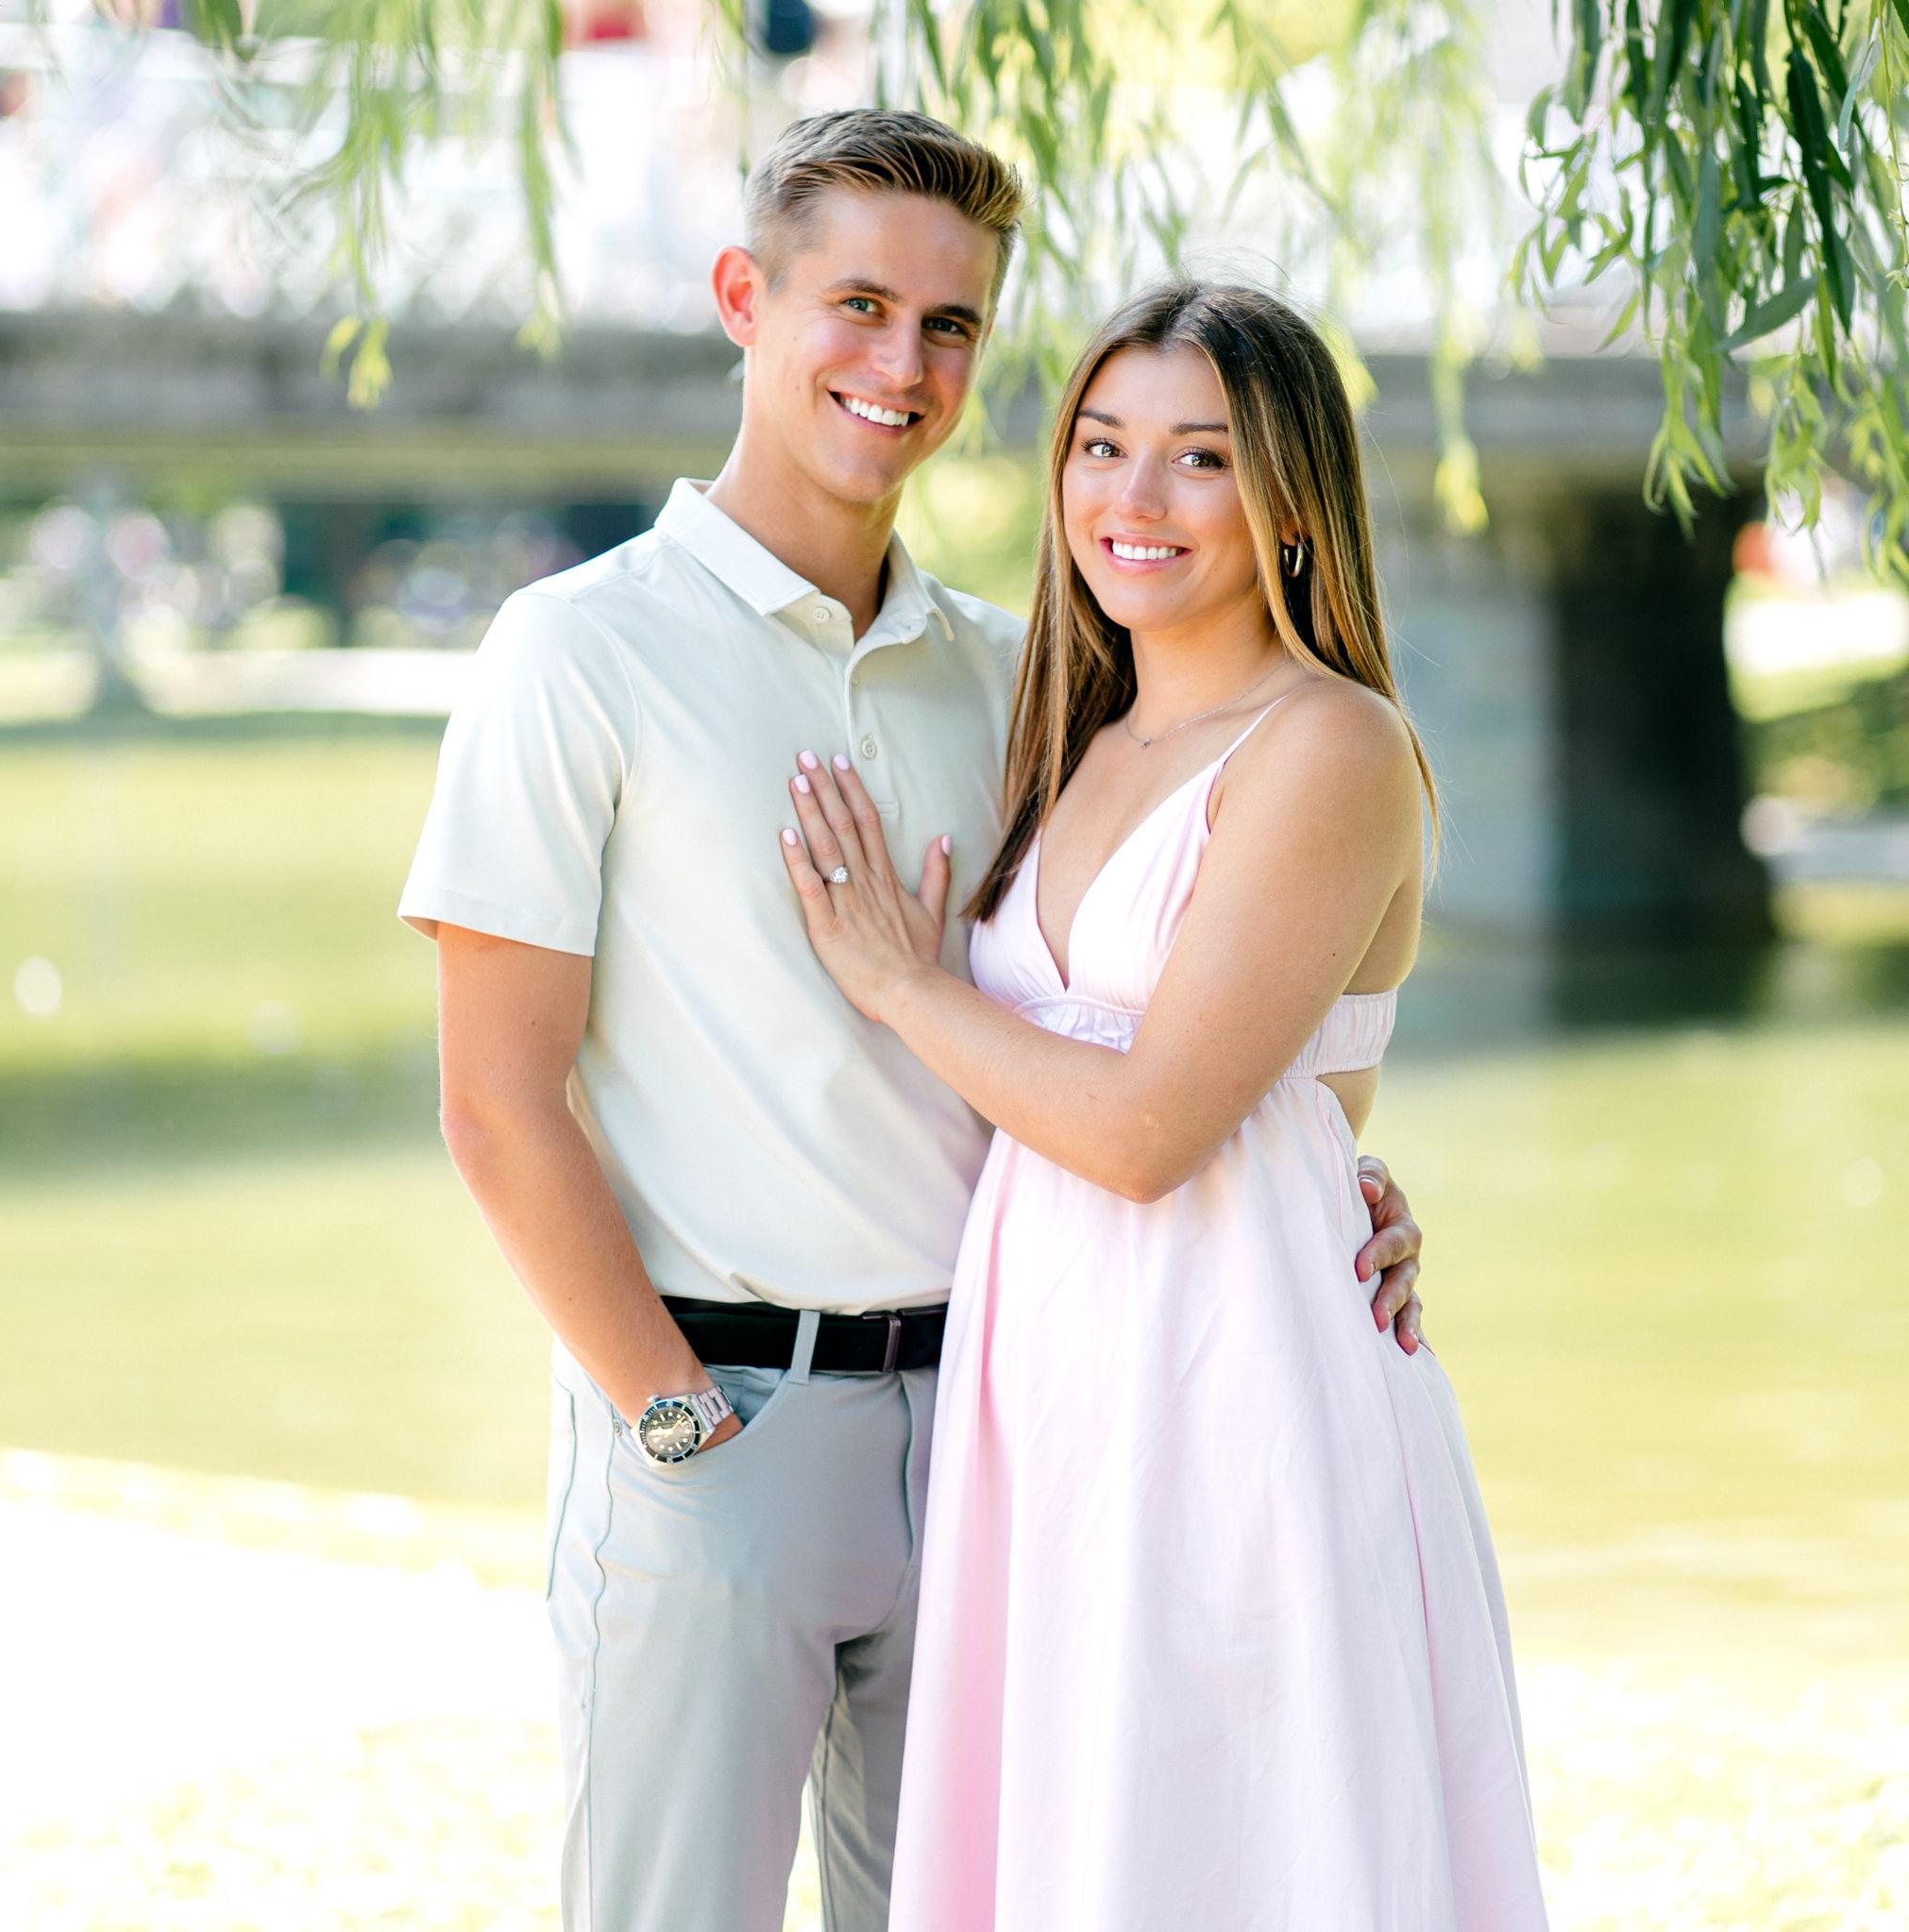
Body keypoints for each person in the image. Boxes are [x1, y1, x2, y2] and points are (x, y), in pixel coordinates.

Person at [400, 113, 1428, 1932]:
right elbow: (496, 1104)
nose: (904, 363)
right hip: (722, 1422)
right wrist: (671, 1425)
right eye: (860, 306)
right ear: (745, 297)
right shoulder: (575, 651)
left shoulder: (1028, 678)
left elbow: (1161, 1009)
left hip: (1016, 1430)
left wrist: (1323, 1179)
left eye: (951, 324)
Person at [777, 280, 1548, 1930]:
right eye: (1101, 445)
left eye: (1201, 456)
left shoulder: (1330, 745)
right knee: (1086, 1832)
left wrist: (903, 982)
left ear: (1291, 500)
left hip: (1235, 1376)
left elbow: (1147, 1130)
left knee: (1237, 1827)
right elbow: (1281, 1091)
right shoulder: (1079, 732)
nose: (1135, 496)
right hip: (1055, 1376)